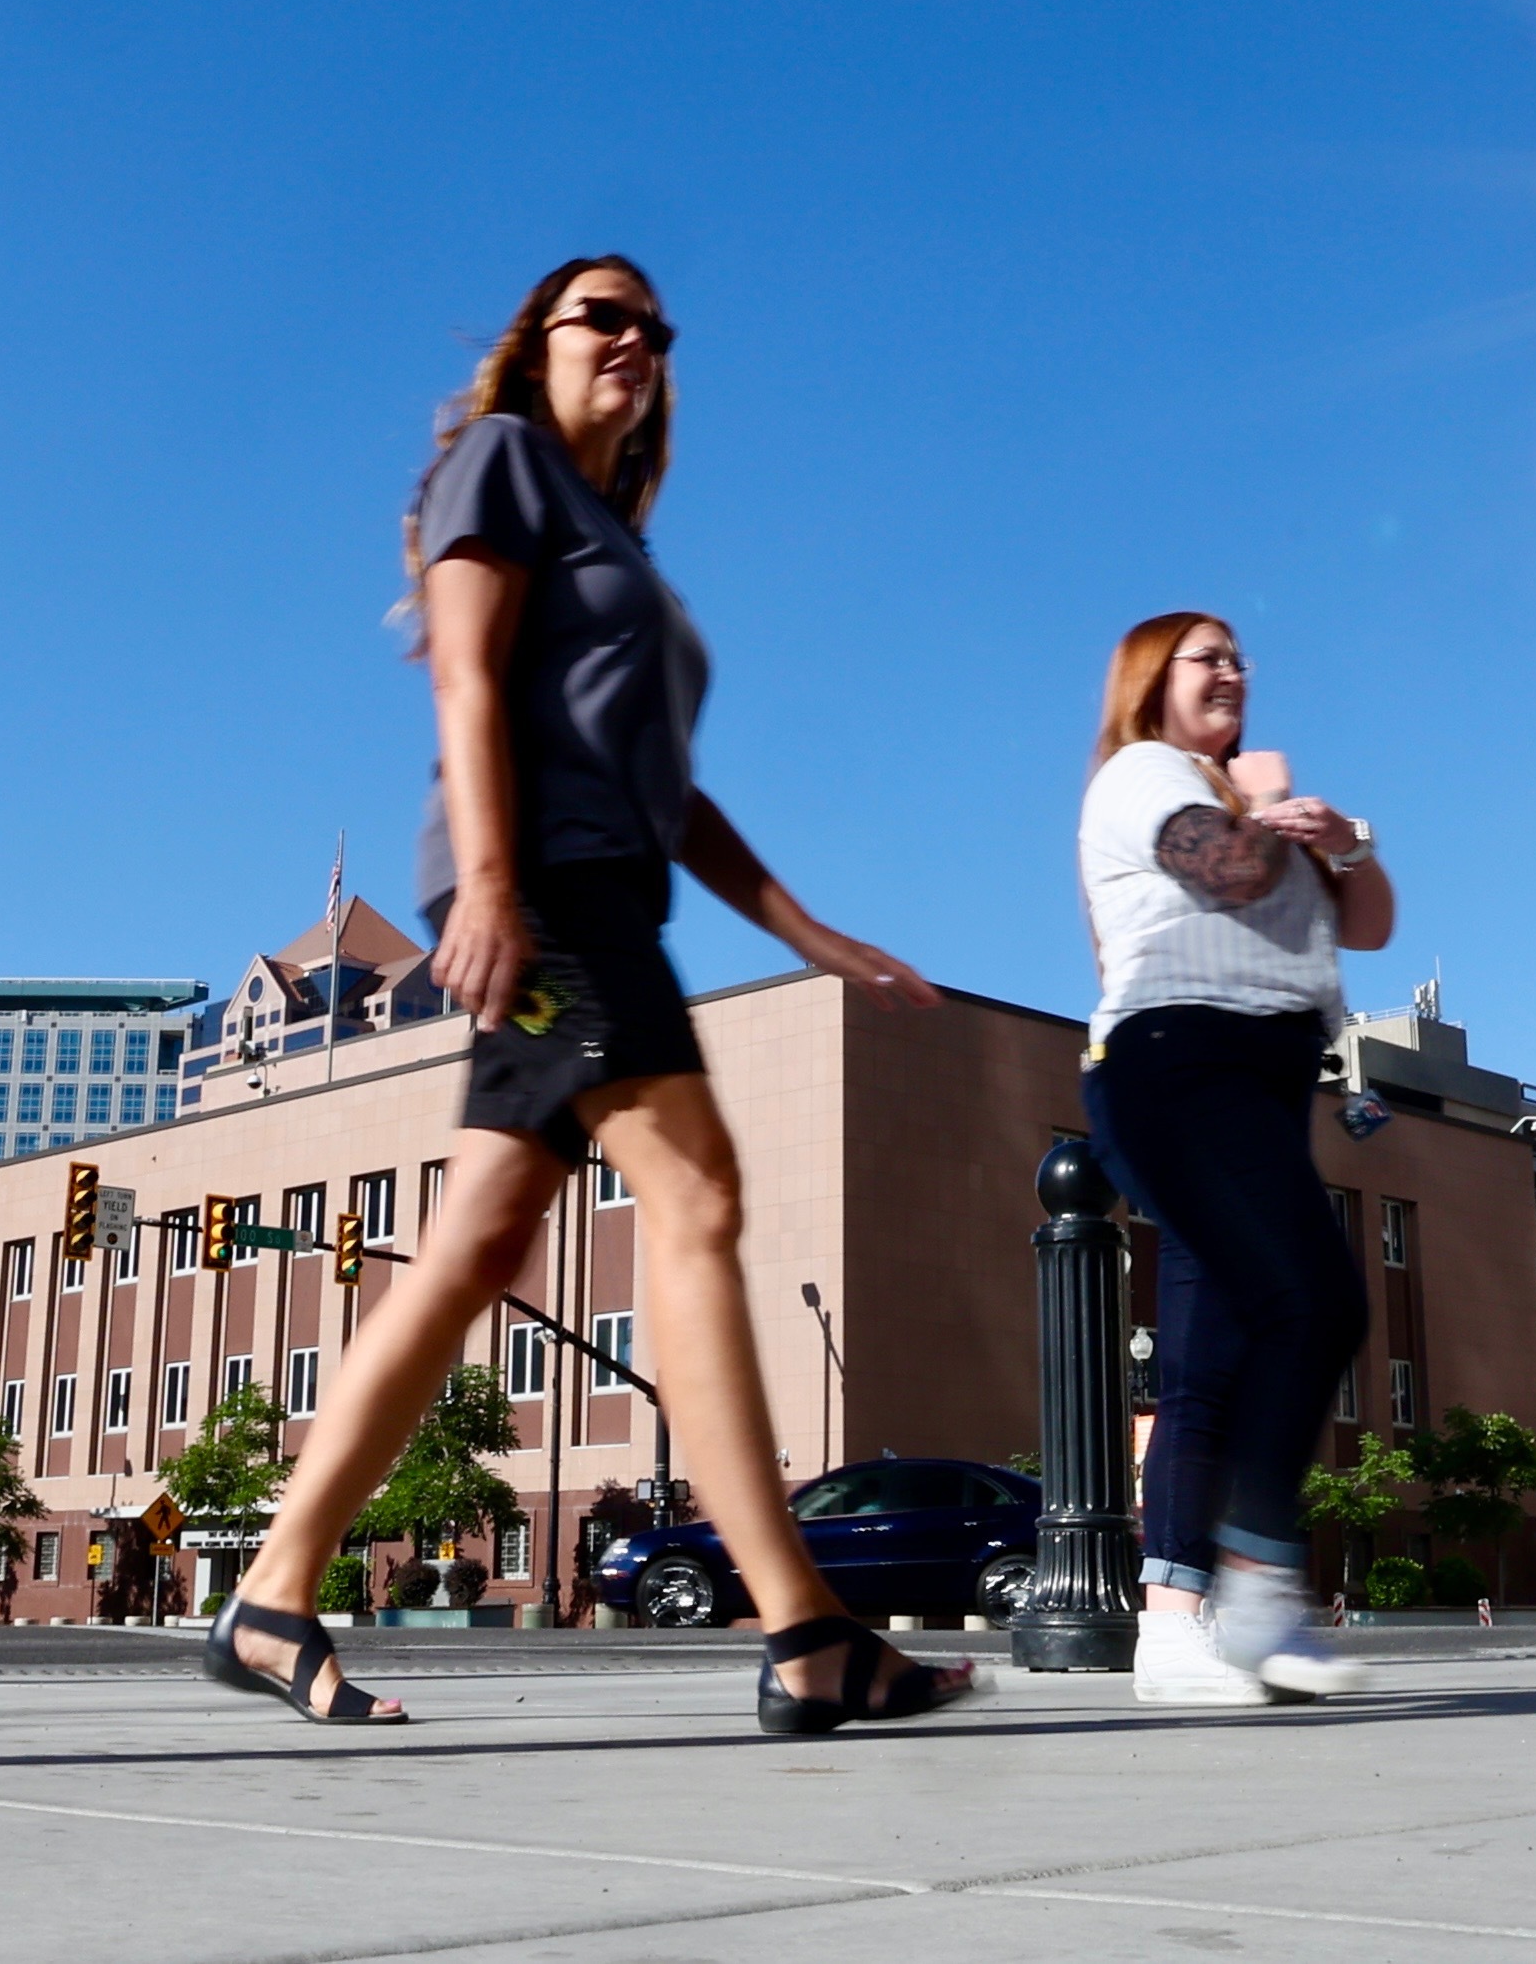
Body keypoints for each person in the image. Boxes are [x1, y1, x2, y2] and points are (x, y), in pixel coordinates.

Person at [204, 255, 974, 1737]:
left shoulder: (615, 539)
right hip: (545, 888)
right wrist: (489, 886)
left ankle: (272, 1587)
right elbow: (467, 685)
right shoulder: (499, 465)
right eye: (601, 316)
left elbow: (670, 789)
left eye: (654, 327)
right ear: (536, 344)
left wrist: (807, 927)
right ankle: (807, 1629)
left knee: (477, 1239)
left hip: (602, 881)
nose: (635, 340)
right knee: (694, 1193)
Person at [1076, 613, 1391, 1704]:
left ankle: (1191, 1626)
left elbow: (1372, 923)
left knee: (1227, 1346)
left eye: (1240, 657)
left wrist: (1343, 840)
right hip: (1175, 1061)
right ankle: (1243, 1597)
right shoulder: (1145, 776)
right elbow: (1231, 873)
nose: (1233, 671)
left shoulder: (1254, 805)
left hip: (1260, 1084)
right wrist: (1272, 807)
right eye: (1205, 656)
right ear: (1148, 682)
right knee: (1307, 1305)